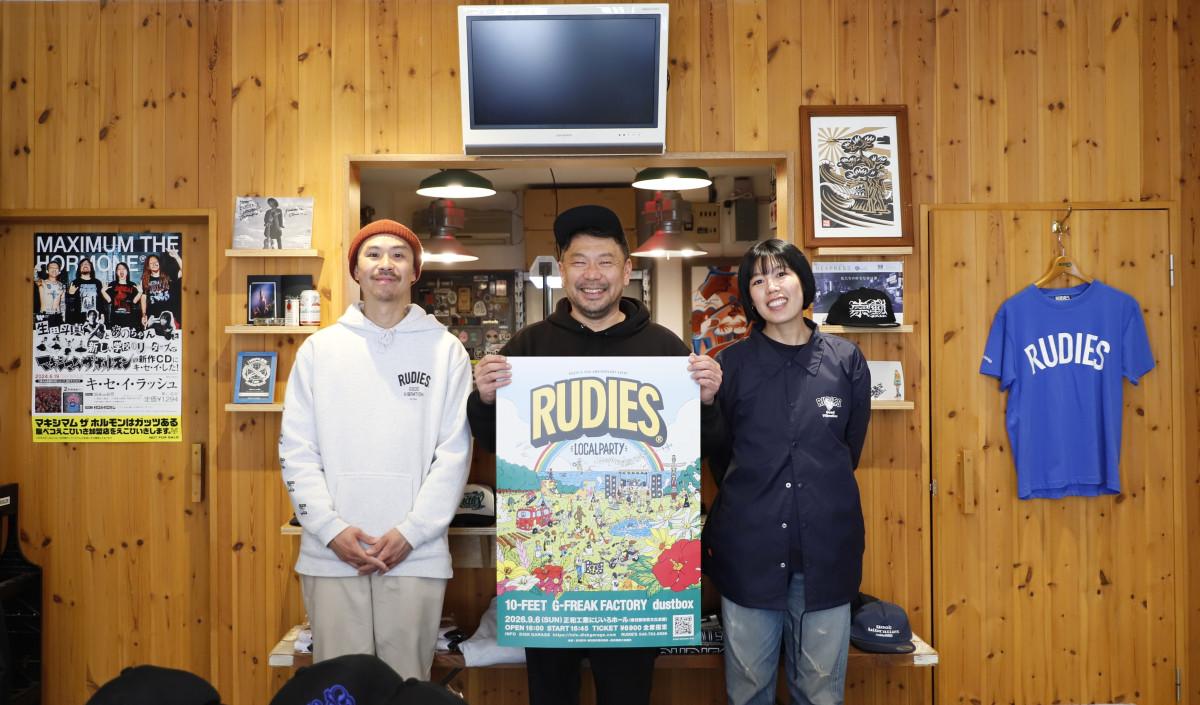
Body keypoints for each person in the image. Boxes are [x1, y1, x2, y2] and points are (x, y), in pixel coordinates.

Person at [469, 205, 722, 705]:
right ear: (562, 270)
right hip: (550, 577)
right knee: (551, 695)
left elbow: (707, 447)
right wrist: (484, 399)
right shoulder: (527, 347)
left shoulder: (665, 349)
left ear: (627, 271)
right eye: (579, 261)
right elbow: (494, 442)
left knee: (627, 696)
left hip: (635, 583)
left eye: (605, 261)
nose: (592, 275)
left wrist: (709, 402)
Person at [279, 219, 472, 680]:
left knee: (406, 686)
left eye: (398, 255)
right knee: (340, 687)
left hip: (416, 553)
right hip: (331, 553)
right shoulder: (319, 350)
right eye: (373, 254)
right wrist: (330, 530)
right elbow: (297, 450)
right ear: (356, 271)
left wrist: (412, 531)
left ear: (415, 272)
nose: (386, 264)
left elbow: (454, 454)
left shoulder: (447, 351)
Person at [701, 238, 871, 705]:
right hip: (749, 555)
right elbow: (720, 456)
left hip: (828, 552)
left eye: (782, 274)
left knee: (820, 693)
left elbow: (848, 450)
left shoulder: (846, 360)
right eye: (758, 280)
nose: (772, 287)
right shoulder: (729, 365)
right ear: (749, 296)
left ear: (803, 282)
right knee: (749, 691)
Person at [140, 250, 183, 329]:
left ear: (159, 263)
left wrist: (176, 257)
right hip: (153, 317)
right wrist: (144, 314)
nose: (154, 264)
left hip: (169, 315)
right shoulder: (145, 279)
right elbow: (144, 297)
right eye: (151, 263)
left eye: (156, 262)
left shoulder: (168, 276)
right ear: (148, 266)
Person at [102, 262, 141, 331]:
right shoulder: (112, 285)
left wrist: (140, 292)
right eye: (119, 269)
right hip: (115, 320)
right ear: (116, 272)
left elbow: (134, 302)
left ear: (127, 271)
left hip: (129, 320)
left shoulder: (132, 285)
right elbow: (109, 300)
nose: (121, 270)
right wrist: (103, 292)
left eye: (123, 269)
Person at [67, 257, 104, 325]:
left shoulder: (97, 282)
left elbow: (101, 301)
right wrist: (70, 294)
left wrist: (102, 314)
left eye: (87, 264)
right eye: (82, 264)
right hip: (78, 318)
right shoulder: (74, 283)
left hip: (95, 318)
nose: (85, 265)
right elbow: (70, 304)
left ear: (91, 268)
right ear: (79, 269)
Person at [34, 260, 66, 326]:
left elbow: (62, 302)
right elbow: (35, 278)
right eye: (51, 268)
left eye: (56, 268)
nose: (54, 270)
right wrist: (35, 270)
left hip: (57, 316)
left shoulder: (62, 285)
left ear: (59, 272)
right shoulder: (42, 283)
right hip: (44, 316)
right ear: (47, 271)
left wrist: (63, 317)